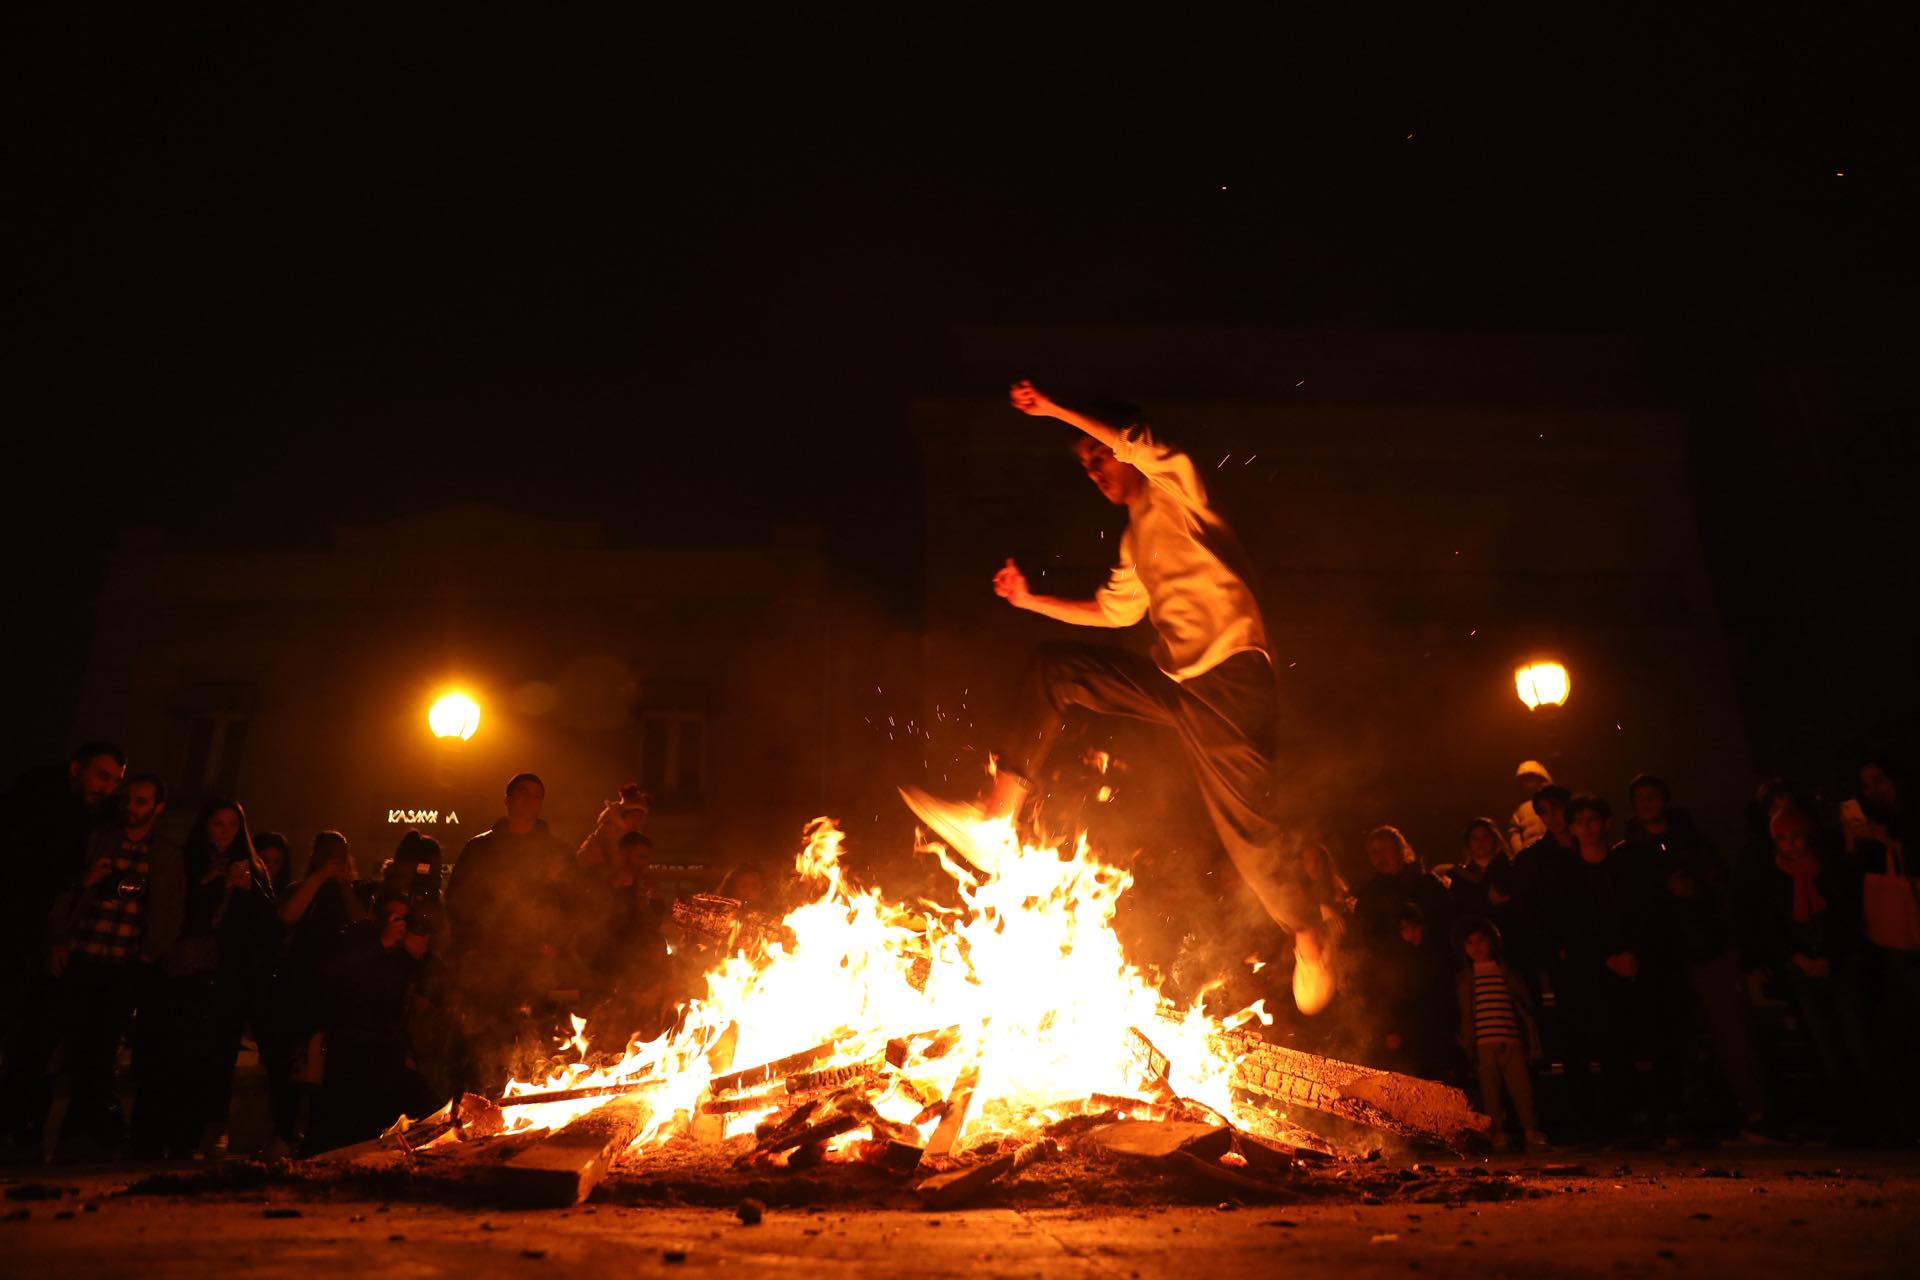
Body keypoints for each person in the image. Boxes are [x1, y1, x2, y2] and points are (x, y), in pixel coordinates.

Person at [902, 380, 1330, 1010]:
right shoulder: (1133, 540)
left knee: (1248, 833)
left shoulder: (1180, 487)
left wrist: (1051, 410)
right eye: (1084, 466)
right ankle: (996, 816)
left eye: (1097, 457)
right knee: (1056, 670)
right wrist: (1029, 600)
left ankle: (1310, 932)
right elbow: (1114, 612)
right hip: (1178, 684)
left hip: (1232, 679)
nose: (1095, 472)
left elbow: (1131, 440)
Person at [1619, 773, 1769, 1136]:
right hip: (1663, 957)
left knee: (1728, 1032)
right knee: (1678, 1039)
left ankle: (1752, 1111)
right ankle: (1695, 1115)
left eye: (1653, 796)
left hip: (1706, 949)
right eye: (1640, 798)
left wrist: (1697, 895)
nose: (1647, 803)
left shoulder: (1692, 843)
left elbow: (1721, 887)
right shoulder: (1628, 853)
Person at [132, 795, 276, 1159]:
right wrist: (207, 883)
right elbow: (172, 913)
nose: (225, 833)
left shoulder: (252, 870)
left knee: (209, 1062)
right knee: (172, 1057)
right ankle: (155, 1137)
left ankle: (192, 1137)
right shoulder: (187, 860)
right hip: (183, 977)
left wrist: (249, 891)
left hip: (224, 983)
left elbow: (265, 929)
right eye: (218, 824)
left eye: (231, 825)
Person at [48, 772, 182, 1153]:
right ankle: (82, 1130)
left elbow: (170, 909)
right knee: (75, 1044)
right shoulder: (99, 840)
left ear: (158, 808)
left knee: (104, 1046)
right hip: (84, 955)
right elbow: (66, 892)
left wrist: (150, 953)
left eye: (141, 801)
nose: (132, 807)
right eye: (128, 800)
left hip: (125, 964)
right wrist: (60, 938)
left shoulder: (165, 854)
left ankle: (87, 1130)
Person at [1, 741, 126, 1145]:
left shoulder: (93, 817)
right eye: (102, 775)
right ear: (77, 769)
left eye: (114, 781)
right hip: (17, 934)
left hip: (41, 944)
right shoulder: (37, 805)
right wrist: (77, 883)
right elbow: (25, 872)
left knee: (30, 1041)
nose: (107, 787)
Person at [1740, 804, 1880, 1139]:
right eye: (1783, 839)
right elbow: (1772, 925)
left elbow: (1848, 917)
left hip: (1842, 965)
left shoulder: (1830, 869)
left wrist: (1831, 956)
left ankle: (1880, 1119)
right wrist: (1796, 957)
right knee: (1827, 1047)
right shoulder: (1772, 877)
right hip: (1803, 969)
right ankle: (1850, 1122)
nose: (1791, 845)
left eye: (1796, 837)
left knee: (1859, 1042)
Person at [444, 773, 572, 1090]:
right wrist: (471, 949)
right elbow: (458, 900)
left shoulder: (555, 852)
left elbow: (571, 904)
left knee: (534, 1042)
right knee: (487, 1045)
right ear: (508, 799)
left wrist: (555, 946)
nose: (530, 800)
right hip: (489, 963)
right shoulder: (480, 849)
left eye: (537, 795)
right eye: (523, 793)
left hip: (535, 964)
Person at [306, 893, 438, 1152]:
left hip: (385, 1054)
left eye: (405, 919)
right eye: (394, 917)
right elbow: (337, 980)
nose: (400, 924)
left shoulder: (403, 959)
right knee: (340, 1127)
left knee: (416, 1108)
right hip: (352, 1052)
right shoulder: (356, 943)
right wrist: (384, 942)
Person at [271, 831, 371, 1153]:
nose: (334, 860)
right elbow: (288, 915)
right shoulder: (300, 889)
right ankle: (287, 1134)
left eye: (340, 854)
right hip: (302, 988)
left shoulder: (350, 894)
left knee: (331, 1066)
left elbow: (363, 925)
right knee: (297, 1064)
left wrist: (341, 883)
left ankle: (320, 1136)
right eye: (328, 854)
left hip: (340, 991)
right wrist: (319, 877)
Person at [1455, 919, 1548, 1150]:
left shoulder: (1506, 972)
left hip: (1511, 1039)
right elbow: (1465, 1014)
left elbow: (1524, 1006)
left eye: (1481, 941)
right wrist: (1467, 1042)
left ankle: (1530, 1130)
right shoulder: (1466, 978)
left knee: (1522, 1088)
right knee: (1491, 1092)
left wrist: (1530, 1039)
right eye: (1470, 943)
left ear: (1493, 943)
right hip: (1484, 1043)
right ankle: (1497, 1134)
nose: (1476, 947)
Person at [1372, 904, 1457, 1080]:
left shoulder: (1435, 954)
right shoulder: (1404, 957)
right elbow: (1396, 997)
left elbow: (1441, 993)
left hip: (1435, 1026)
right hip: (1415, 1029)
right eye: (1403, 928)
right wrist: (1394, 1029)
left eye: (1410, 926)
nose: (1407, 932)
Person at [1351, 825, 1454, 958]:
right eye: (1374, 852)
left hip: (1429, 962)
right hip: (1390, 968)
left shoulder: (1427, 884)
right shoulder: (1370, 894)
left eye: (1384, 850)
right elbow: (1362, 935)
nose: (1380, 857)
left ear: (1400, 850)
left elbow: (1447, 923)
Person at [1507, 761, 1553, 854]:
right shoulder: (1520, 811)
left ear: (1542, 779)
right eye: (1526, 779)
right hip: (1532, 857)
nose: (1529, 783)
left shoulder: (1555, 804)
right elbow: (1515, 836)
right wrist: (1521, 857)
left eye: (1532, 778)